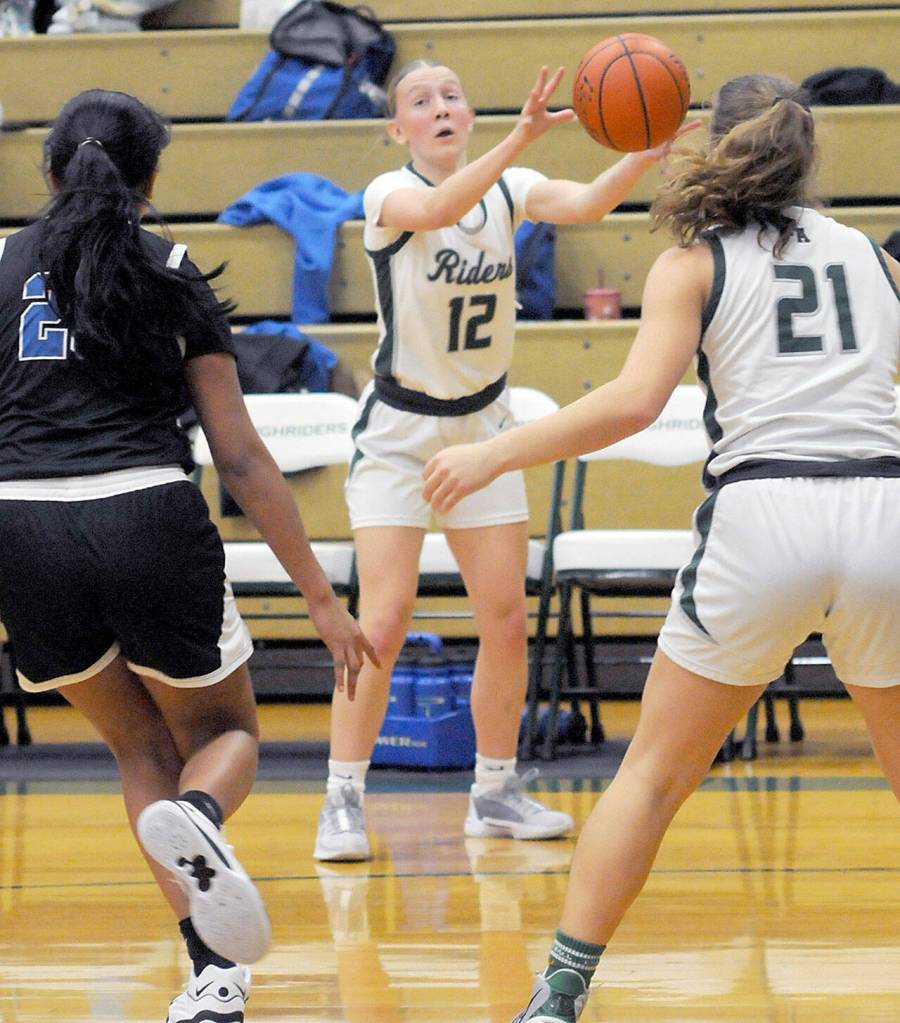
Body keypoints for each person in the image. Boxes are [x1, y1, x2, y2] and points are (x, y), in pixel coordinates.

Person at [422, 72, 900, 1021]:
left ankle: (559, 991)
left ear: (712, 146)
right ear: (805, 155)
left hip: (765, 515)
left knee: (651, 776)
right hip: (885, 508)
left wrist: (492, 453)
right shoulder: (879, 264)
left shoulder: (695, 260)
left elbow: (634, 403)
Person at [0, 88, 375, 1023]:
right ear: (151, 179)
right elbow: (240, 454)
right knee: (223, 737)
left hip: (22, 526)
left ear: (49, 172)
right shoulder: (169, 267)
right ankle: (201, 825)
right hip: (145, 513)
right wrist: (322, 596)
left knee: (136, 744)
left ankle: (213, 974)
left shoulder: (1, 264)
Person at [313, 59, 691, 862]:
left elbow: (589, 203)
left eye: (452, 93)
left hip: (485, 428)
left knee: (508, 620)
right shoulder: (388, 194)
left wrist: (644, 148)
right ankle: (342, 795)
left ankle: (494, 790)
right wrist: (521, 134)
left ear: (468, 111)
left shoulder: (511, 188)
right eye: (421, 101)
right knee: (381, 618)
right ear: (397, 128)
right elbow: (442, 204)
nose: (441, 106)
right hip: (399, 433)